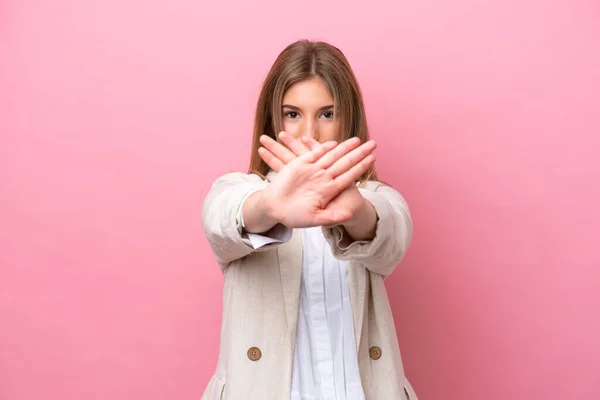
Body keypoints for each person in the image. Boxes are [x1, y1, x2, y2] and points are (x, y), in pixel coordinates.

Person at [201, 40, 418, 400]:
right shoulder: (239, 190)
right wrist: (269, 208)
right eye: (293, 113)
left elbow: (389, 237)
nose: (309, 135)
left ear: (348, 118)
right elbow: (221, 219)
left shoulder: (378, 198)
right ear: (272, 119)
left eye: (327, 114)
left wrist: (354, 208)